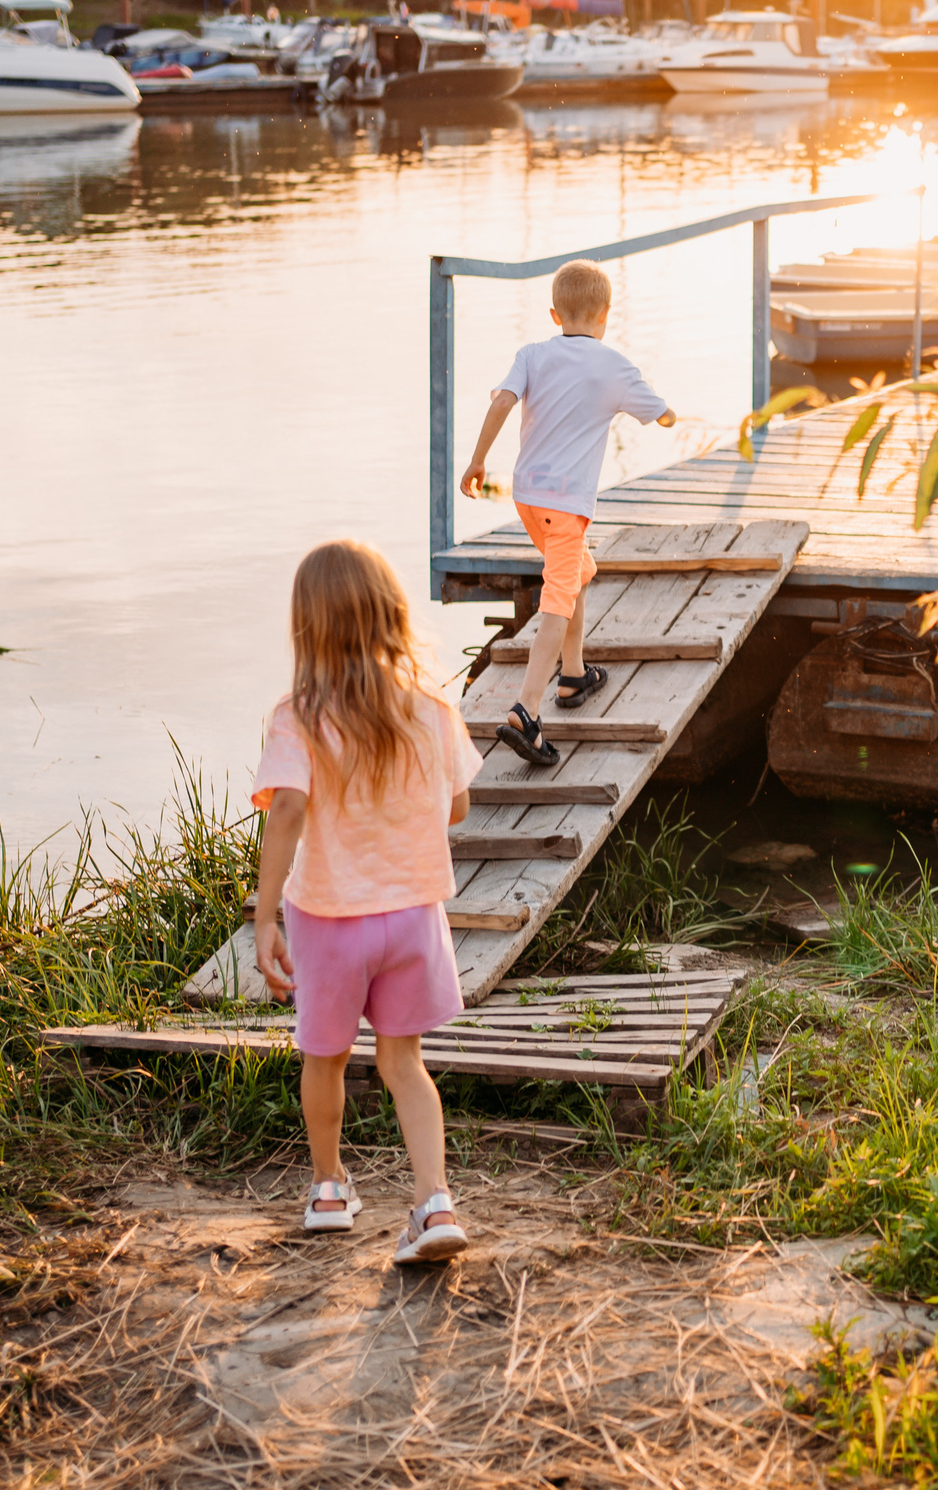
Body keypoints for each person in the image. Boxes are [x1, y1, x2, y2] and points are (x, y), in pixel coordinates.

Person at [253, 540, 485, 1265]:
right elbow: (456, 808)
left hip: (329, 920)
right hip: (413, 916)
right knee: (405, 1063)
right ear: (392, 614)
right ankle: (434, 1200)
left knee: (324, 1059)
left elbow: (287, 807)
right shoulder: (431, 708)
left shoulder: (297, 716)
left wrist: (264, 917)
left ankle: (328, 1188)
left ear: (307, 628)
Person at [457, 259, 676, 767]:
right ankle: (526, 712)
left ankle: (574, 674)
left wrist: (477, 460)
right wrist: (668, 414)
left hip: (528, 499)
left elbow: (500, 403)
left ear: (555, 314)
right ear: (606, 315)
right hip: (566, 510)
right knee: (556, 601)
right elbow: (662, 415)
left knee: (576, 575)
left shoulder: (532, 354)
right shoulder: (615, 367)